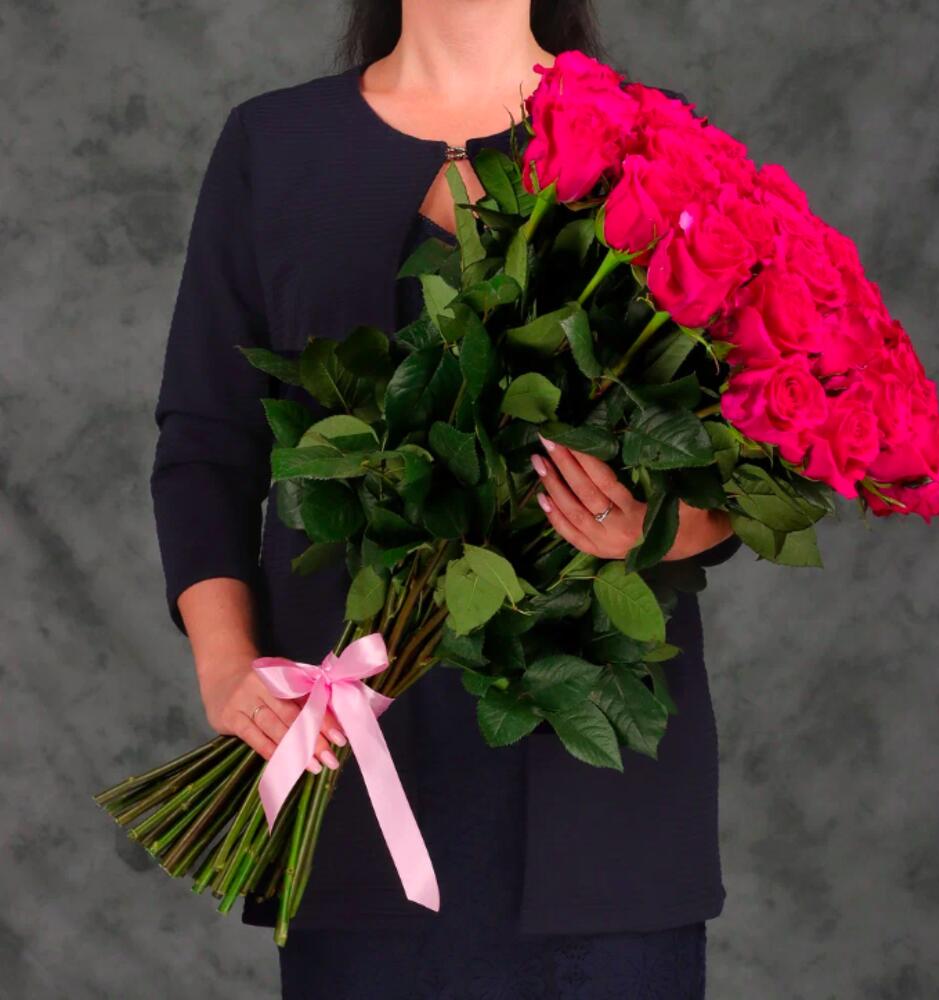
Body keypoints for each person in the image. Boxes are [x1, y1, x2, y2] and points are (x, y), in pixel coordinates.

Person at [150, 2, 742, 996]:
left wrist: (653, 530)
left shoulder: (656, 139)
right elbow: (206, 444)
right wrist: (224, 663)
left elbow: (744, 445)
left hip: (601, 808)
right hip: (352, 773)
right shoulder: (272, 145)